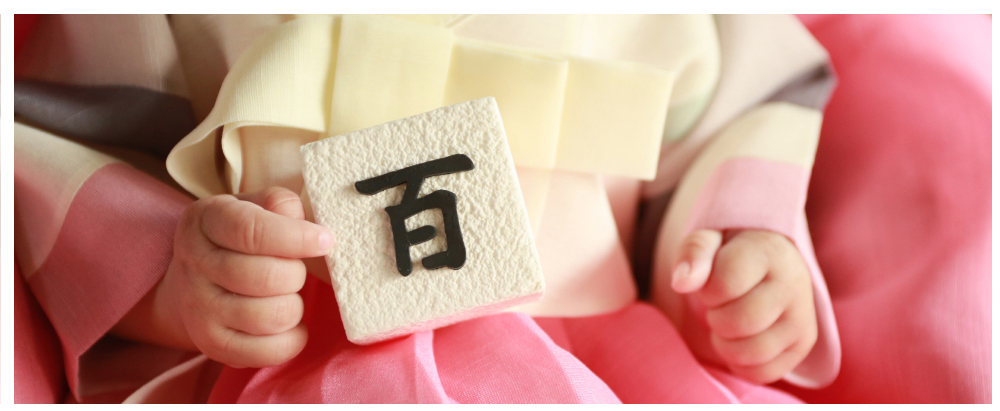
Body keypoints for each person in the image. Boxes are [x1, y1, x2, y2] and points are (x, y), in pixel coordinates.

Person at [11, 13, 857, 403]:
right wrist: (180, 282)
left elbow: (734, 115)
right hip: (288, 358)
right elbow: (69, 156)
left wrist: (733, 255)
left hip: (598, 360)